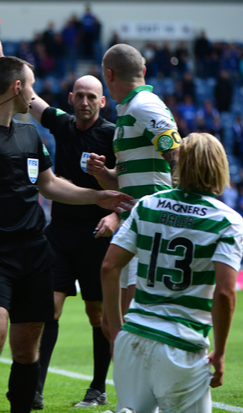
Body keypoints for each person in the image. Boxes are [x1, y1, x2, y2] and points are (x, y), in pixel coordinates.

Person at [0, 35, 133, 413]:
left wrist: (99, 196)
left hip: (36, 252)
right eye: (32, 87)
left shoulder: (30, 134)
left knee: (27, 349)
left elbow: (51, 184)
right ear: (18, 87)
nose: (36, 96)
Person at [0, 34, 116, 409]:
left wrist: (115, 213)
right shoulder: (62, 124)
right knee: (47, 308)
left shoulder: (114, 137)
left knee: (97, 315)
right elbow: (22, 90)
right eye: (80, 95)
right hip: (58, 234)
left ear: (103, 102)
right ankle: (35, 388)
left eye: (93, 96)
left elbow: (130, 184)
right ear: (71, 99)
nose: (86, 101)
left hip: (97, 235)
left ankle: (97, 387)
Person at [101, 133, 243, 413]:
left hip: (133, 338)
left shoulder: (147, 205)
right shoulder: (227, 220)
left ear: (180, 164)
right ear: (220, 166)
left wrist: (116, 330)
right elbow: (225, 294)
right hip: (182, 346)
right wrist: (221, 352)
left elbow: (109, 266)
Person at [87, 43, 181, 314]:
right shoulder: (129, 111)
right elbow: (129, 180)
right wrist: (105, 174)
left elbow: (177, 154)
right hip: (135, 226)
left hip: (152, 228)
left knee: (134, 323)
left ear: (109, 75)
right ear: (143, 70)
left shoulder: (144, 105)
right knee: (116, 323)